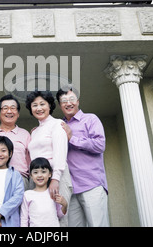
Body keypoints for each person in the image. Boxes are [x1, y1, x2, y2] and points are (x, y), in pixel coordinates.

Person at [56, 85, 110, 227]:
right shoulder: (58, 126)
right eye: (64, 100)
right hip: (70, 189)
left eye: (72, 99)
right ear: (60, 105)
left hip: (91, 185)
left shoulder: (90, 119)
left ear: (78, 101)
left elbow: (100, 145)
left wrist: (71, 138)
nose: (68, 103)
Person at [25, 90, 72, 227]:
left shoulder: (57, 124)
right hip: (37, 178)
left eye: (42, 104)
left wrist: (55, 179)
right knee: (37, 218)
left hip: (57, 177)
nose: (39, 108)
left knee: (59, 219)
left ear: (50, 106)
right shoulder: (34, 131)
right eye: (34, 105)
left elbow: (60, 152)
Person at [0, 94, 31, 189]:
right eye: (5, 108)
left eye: (13, 108)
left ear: (18, 113)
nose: (9, 111)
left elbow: (30, 162)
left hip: (19, 180)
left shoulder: (25, 134)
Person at [20, 157, 67, 227]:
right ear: (31, 176)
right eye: (35, 172)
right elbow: (24, 219)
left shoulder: (53, 193)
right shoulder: (27, 195)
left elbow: (59, 215)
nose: (39, 175)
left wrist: (64, 204)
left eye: (43, 172)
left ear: (50, 174)